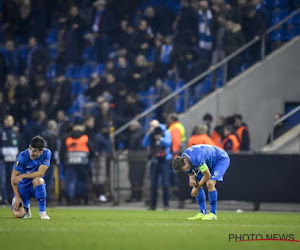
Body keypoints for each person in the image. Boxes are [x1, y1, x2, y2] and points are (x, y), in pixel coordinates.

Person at [172, 144, 230, 220]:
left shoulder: (196, 158)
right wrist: (192, 179)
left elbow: (207, 175)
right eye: (184, 170)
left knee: (210, 183)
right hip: (209, 162)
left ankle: (213, 214)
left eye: (186, 168)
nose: (187, 169)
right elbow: (190, 173)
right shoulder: (184, 158)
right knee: (196, 182)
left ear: (185, 160)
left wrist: (196, 188)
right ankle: (203, 212)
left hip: (220, 159)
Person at [10, 135, 51, 219]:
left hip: (34, 187)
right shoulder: (22, 156)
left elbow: (40, 173)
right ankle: (26, 208)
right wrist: (17, 197)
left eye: (35, 151)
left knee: (38, 180)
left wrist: (23, 175)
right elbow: (13, 178)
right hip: (22, 187)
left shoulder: (47, 153)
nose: (31, 153)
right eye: (30, 149)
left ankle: (42, 213)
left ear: (41, 150)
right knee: (18, 215)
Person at [142, 119, 172, 210]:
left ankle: (166, 204)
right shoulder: (151, 134)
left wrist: (160, 138)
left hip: (164, 160)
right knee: (153, 183)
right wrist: (148, 134)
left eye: (153, 126)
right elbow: (144, 144)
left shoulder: (165, 131)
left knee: (165, 183)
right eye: (151, 126)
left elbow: (168, 143)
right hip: (154, 160)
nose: (152, 128)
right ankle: (153, 205)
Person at [0, 115, 19, 204]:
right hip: (2, 161)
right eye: (8, 120)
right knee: (2, 180)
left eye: (12, 120)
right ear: (5, 121)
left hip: (13, 161)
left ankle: (9, 197)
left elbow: (19, 146)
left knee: (11, 180)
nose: (10, 121)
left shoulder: (15, 132)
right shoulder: (1, 131)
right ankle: (4, 198)